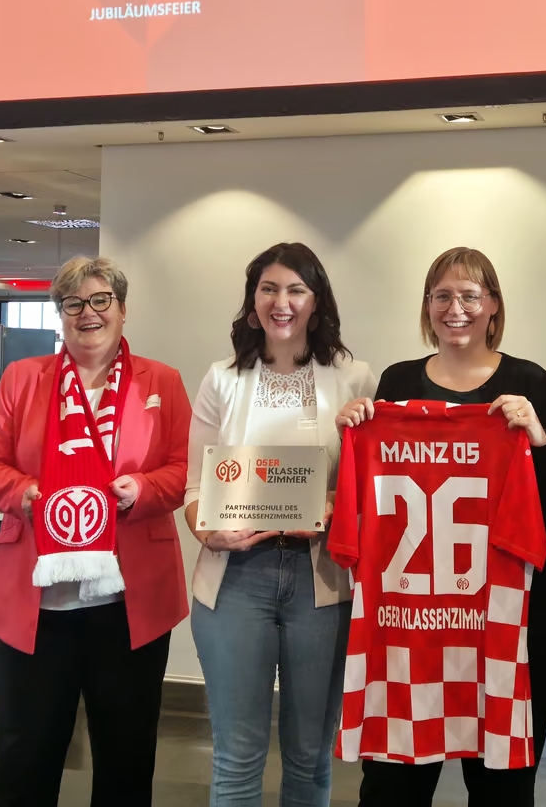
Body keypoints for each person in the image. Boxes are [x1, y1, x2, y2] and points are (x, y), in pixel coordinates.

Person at [335, 246, 546, 807]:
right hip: (410, 616)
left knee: (502, 784)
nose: (456, 308)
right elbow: (373, 497)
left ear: (493, 304)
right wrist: (353, 432)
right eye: (442, 295)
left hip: (506, 619)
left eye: (471, 295)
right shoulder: (397, 382)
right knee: (395, 782)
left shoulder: (528, 382)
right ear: (427, 306)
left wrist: (537, 438)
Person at [0, 256, 192, 807]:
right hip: (38, 604)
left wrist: (140, 489)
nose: (87, 314)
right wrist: (26, 495)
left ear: (121, 309)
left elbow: (185, 468)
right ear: (60, 312)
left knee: (126, 753)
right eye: (73, 303)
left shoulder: (161, 381)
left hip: (129, 600)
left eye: (99, 301)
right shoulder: (24, 379)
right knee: (26, 754)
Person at [184, 243, 376, 807]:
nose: (281, 302)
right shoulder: (221, 379)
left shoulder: (356, 378)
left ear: (317, 302)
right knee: (236, 758)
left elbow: (375, 490)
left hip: (321, 581)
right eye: (268, 289)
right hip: (234, 577)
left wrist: (339, 498)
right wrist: (206, 530)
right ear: (252, 302)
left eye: (296, 289)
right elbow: (196, 488)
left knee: (309, 758)